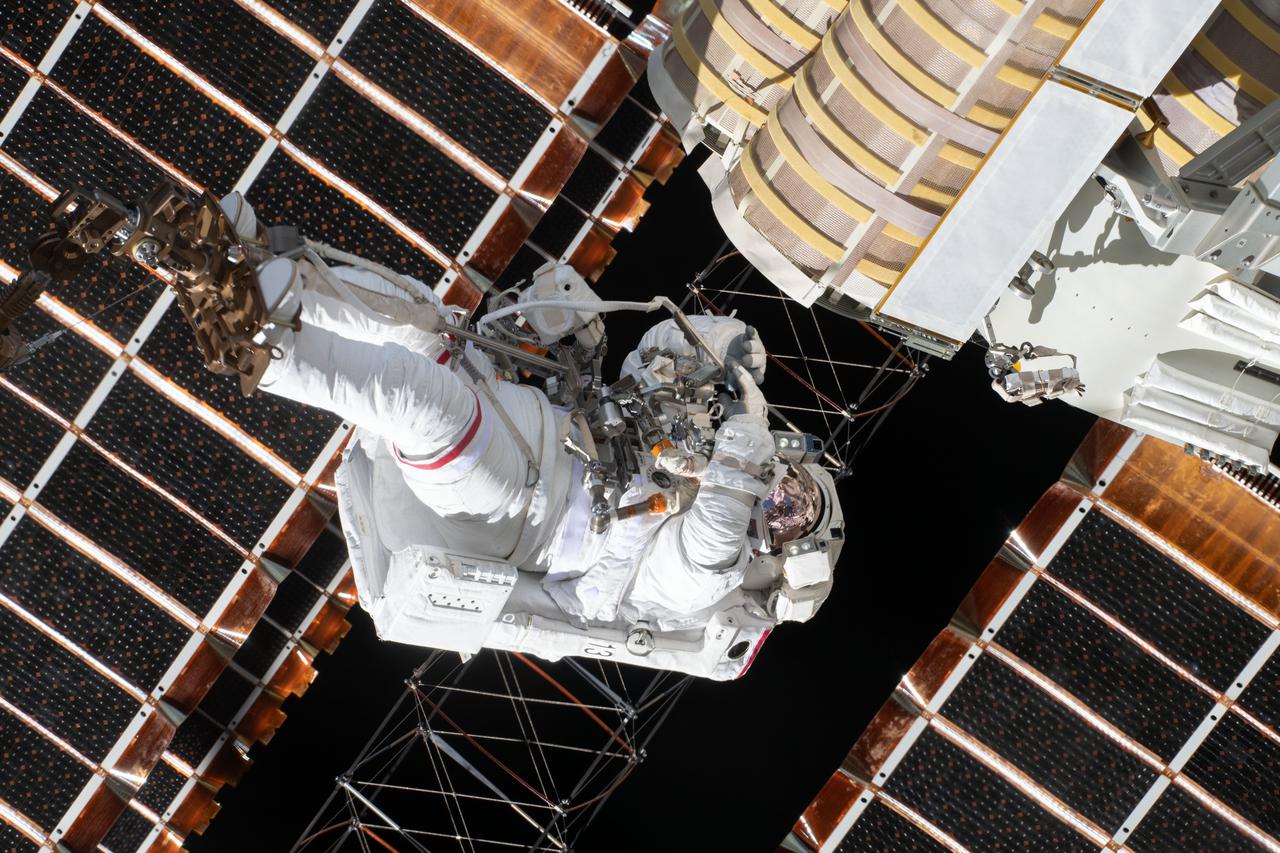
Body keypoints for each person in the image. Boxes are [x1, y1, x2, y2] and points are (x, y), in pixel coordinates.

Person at [219, 194, 834, 664]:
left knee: (423, 401)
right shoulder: (715, 443)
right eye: (794, 485)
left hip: (525, 508)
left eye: (788, 513)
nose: (780, 495)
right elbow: (651, 360)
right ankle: (262, 276)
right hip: (533, 418)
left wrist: (736, 464)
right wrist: (722, 344)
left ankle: (270, 355)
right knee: (424, 323)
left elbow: (701, 547)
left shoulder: (699, 586)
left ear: (779, 555)